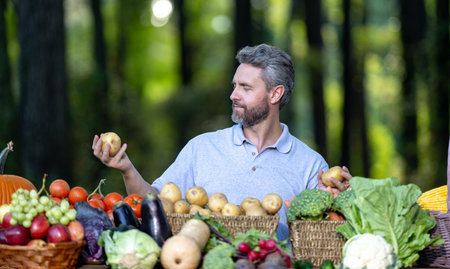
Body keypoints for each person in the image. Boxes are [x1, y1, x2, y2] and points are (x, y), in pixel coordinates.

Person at [92, 43, 352, 241]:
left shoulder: (310, 164)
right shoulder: (202, 148)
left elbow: (324, 234)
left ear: (275, 94)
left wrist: (340, 198)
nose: (233, 95)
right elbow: (155, 204)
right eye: (234, 85)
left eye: (245, 88)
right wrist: (127, 168)